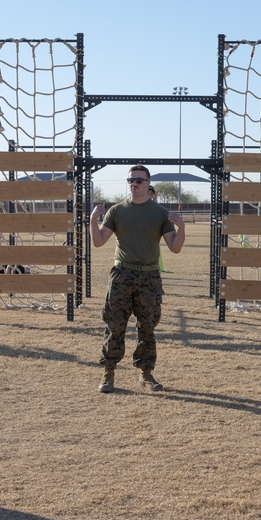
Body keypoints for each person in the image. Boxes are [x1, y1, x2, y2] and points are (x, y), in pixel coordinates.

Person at [91, 165, 185, 393]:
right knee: (115, 326)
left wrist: (181, 227)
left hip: (149, 277)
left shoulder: (160, 213)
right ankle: (108, 374)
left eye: (139, 180)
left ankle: (146, 374)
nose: (134, 184)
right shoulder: (117, 211)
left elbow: (175, 247)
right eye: (131, 180)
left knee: (147, 328)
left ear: (148, 183)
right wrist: (93, 221)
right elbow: (99, 241)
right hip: (122, 275)